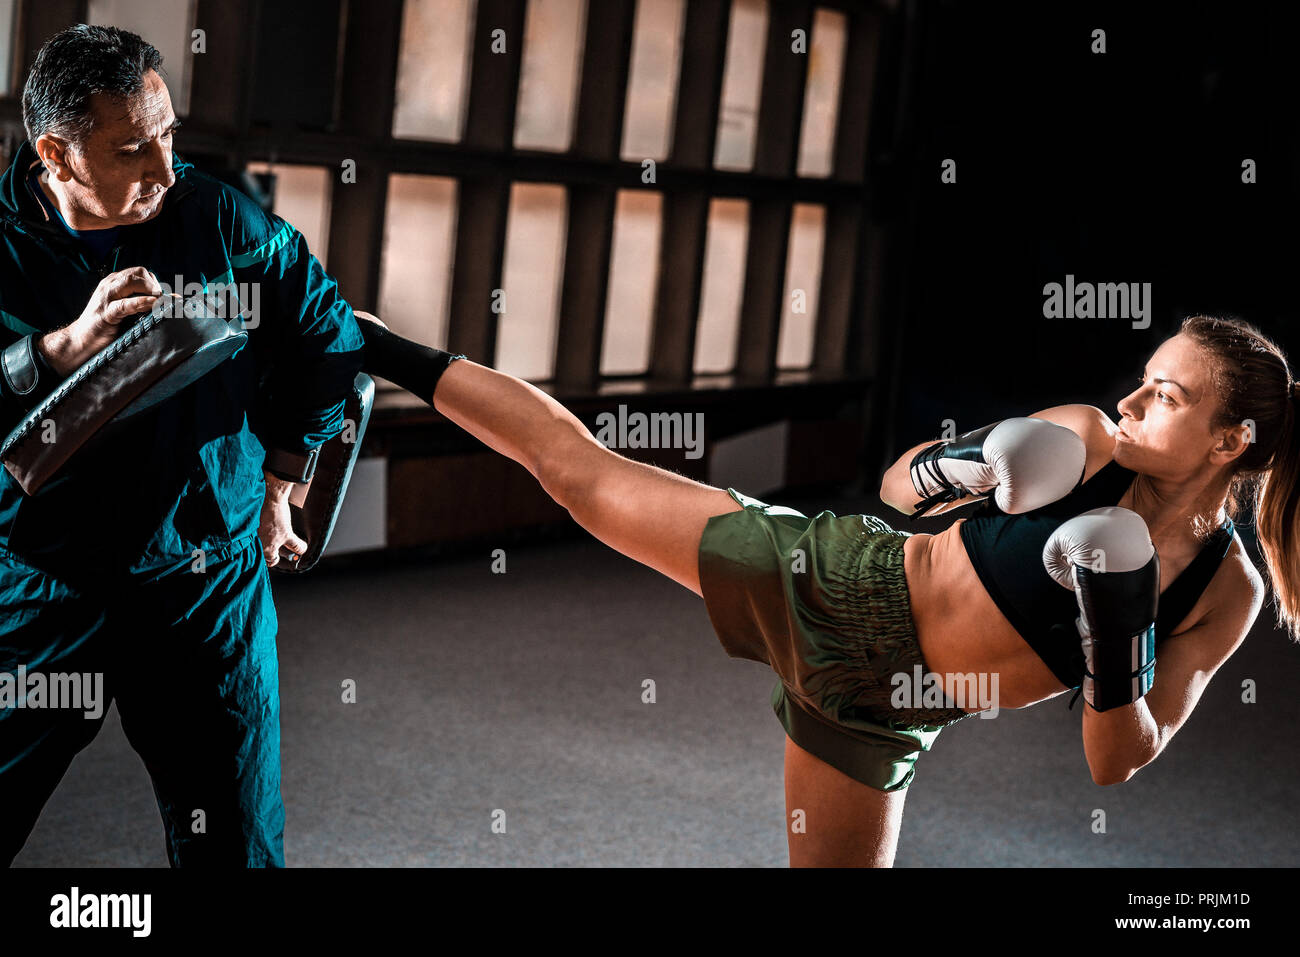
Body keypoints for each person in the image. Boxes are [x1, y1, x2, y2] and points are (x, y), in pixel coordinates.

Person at [358, 312, 1286, 867]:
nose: (1130, 401)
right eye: (1142, 381)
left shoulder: (1222, 591)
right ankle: (366, 340)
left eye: (1165, 395)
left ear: (1228, 441)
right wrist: (966, 463)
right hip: (836, 578)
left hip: (886, 713)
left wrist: (1116, 634)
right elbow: (894, 488)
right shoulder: (1084, 436)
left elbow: (1115, 760)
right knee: (580, 476)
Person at [0, 25, 362, 866]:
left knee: (235, 844)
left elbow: (327, 334)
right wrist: (61, 348)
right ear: (56, 151)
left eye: (168, 134)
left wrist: (282, 476)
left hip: (203, 583)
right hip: (46, 581)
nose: (165, 170)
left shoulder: (215, 215)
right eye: (133, 148)